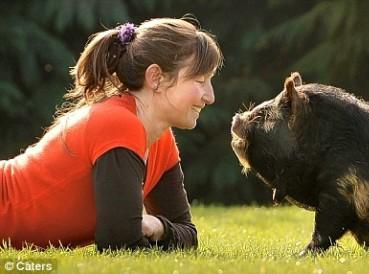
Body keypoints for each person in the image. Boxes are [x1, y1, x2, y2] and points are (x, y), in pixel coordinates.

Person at [0, 16, 223, 251]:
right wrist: (159, 232)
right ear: (155, 77)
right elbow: (120, 242)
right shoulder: (119, 124)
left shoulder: (161, 139)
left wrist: (159, 227)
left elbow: (188, 234)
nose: (210, 96)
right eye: (200, 81)